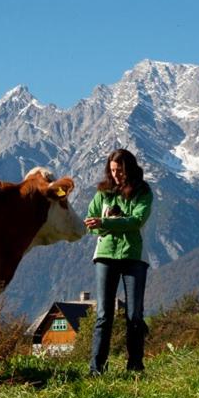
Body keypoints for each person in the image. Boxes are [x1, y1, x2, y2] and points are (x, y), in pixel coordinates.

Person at [84, 148, 153, 375]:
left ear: (129, 169)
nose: (116, 175)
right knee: (104, 314)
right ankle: (97, 369)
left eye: (120, 171)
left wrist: (106, 223)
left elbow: (136, 221)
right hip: (105, 255)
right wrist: (101, 225)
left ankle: (135, 366)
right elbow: (91, 223)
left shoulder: (143, 192)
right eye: (112, 171)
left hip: (134, 256)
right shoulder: (102, 193)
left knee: (134, 315)